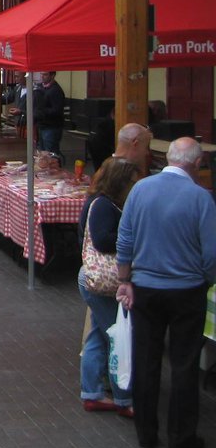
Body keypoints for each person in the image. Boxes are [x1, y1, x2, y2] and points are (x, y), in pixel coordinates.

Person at [116, 137, 216, 448]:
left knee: (146, 360)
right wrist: (206, 279)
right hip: (187, 290)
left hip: (145, 288)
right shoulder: (201, 198)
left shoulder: (141, 190)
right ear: (197, 164)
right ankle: (181, 436)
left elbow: (125, 238)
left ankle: (146, 432)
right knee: (184, 364)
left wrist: (124, 279)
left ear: (168, 158)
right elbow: (211, 253)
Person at [77, 157, 141, 418]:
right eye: (132, 181)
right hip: (103, 281)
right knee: (117, 337)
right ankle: (123, 397)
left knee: (99, 334)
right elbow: (103, 241)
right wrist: (131, 236)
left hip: (93, 279)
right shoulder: (104, 205)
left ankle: (92, 392)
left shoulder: (102, 202)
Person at [33, 71, 66, 155]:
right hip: (41, 125)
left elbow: (57, 110)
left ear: (53, 75)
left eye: (45, 74)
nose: (42, 77)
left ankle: (55, 167)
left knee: (51, 154)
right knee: (41, 154)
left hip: (51, 127)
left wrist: (42, 111)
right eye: (41, 74)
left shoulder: (56, 90)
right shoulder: (40, 88)